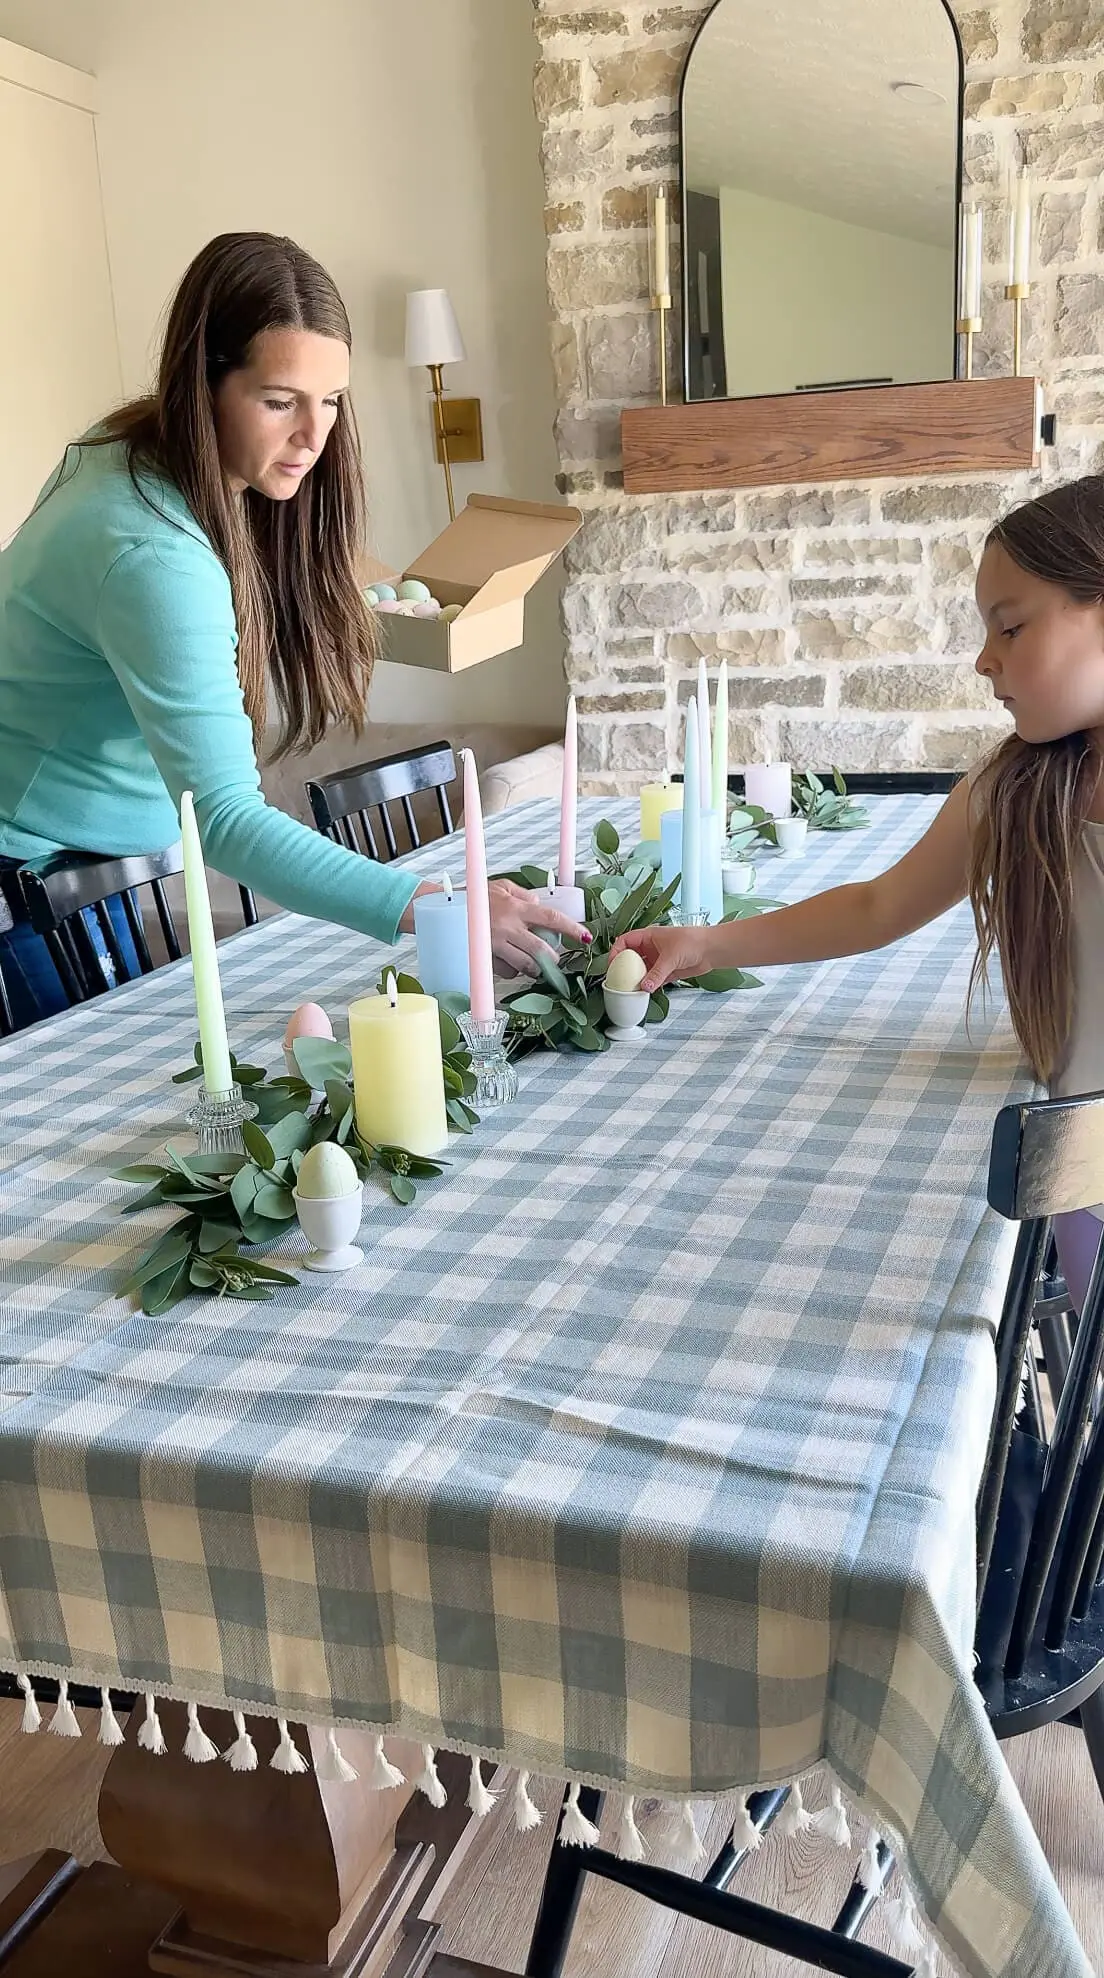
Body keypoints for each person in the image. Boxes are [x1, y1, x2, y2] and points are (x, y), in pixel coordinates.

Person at [0, 231, 585, 1029]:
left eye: (333, 399)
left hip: (91, 866)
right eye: (280, 401)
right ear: (203, 383)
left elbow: (321, 562)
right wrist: (442, 904)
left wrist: (402, 596)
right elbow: (228, 820)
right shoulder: (150, 554)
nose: (316, 436)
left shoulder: (142, 456)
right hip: (24, 875)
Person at [612, 476, 1104, 1314]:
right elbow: (880, 905)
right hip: (1074, 1172)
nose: (984, 660)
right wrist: (706, 945)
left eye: (1011, 626)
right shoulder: (1016, 787)